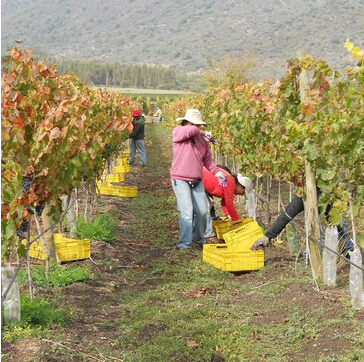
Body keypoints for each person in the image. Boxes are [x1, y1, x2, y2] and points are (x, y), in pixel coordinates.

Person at [170, 109, 227, 250]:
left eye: (198, 125)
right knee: (187, 212)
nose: (197, 127)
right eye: (194, 123)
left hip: (197, 180)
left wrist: (218, 173)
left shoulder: (203, 142)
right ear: (186, 122)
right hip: (180, 179)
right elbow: (190, 131)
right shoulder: (179, 132)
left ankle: (198, 239)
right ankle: (184, 244)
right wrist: (201, 132)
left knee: (202, 211)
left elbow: (208, 162)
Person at [251, 194, 354, 256]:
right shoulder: (301, 195)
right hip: (319, 207)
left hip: (327, 202)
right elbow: (286, 216)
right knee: (322, 228)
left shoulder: (324, 192)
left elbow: (333, 220)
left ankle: (350, 250)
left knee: (336, 225)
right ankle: (312, 254)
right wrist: (268, 236)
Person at [202, 166, 253, 240]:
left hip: (202, 180)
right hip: (200, 178)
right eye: (243, 192)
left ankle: (203, 234)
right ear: (241, 187)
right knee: (205, 207)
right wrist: (237, 220)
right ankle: (208, 235)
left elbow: (224, 201)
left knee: (208, 205)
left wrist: (228, 215)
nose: (242, 194)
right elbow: (229, 203)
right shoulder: (231, 182)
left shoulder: (231, 181)